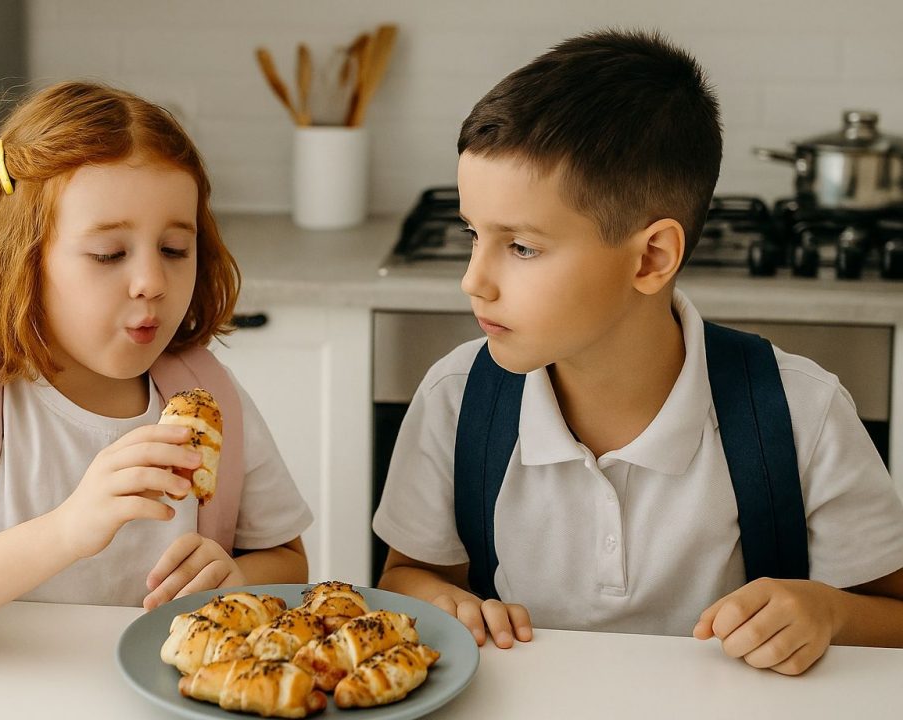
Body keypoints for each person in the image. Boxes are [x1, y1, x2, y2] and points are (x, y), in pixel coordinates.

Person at [373, 29, 903, 675]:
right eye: (472, 235)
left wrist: (830, 612)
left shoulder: (802, 410)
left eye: (522, 246)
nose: (472, 280)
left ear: (651, 257)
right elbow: (408, 576)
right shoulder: (455, 397)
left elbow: (892, 616)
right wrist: (444, 602)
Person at [0, 81, 312, 658]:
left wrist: (236, 581)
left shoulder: (210, 398)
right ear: (21, 259)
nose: (152, 282)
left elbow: (289, 562)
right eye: (109, 254)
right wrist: (63, 532)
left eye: (175, 250)